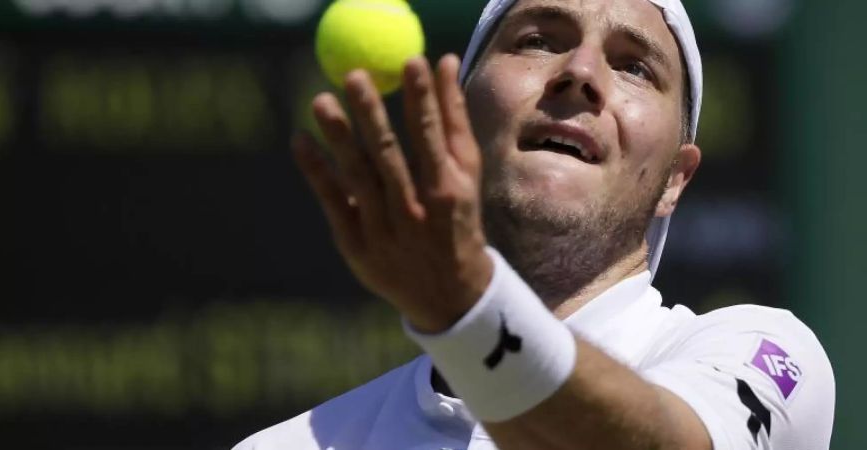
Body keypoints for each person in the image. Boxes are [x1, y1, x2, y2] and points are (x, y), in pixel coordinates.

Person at [235, 0, 835, 448]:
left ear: (675, 180)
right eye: (540, 40)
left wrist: (469, 310)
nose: (580, 72)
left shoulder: (768, 351)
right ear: (457, 116)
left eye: (634, 67)